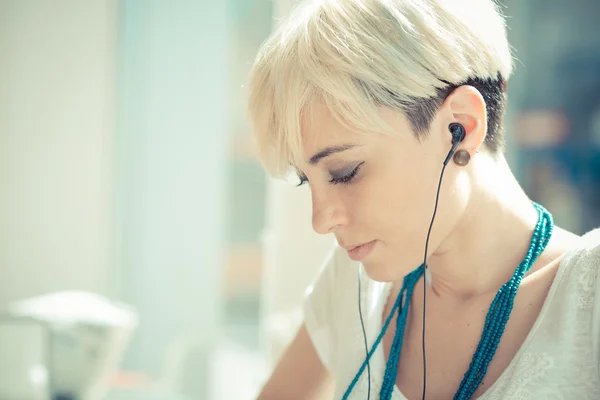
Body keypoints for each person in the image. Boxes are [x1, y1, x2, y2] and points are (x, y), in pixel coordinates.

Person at [246, 0, 600, 399]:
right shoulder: (354, 285)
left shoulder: (589, 298)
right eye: (305, 181)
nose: (321, 220)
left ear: (461, 128)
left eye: (345, 172)